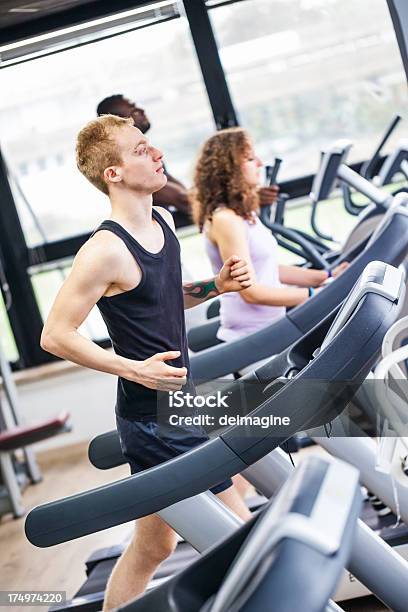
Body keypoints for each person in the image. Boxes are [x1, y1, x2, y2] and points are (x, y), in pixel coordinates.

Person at [40, 114, 253, 611]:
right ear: (113, 173)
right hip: (155, 419)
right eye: (140, 149)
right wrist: (133, 368)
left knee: (156, 544)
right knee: (241, 533)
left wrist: (214, 288)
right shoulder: (104, 250)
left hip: (177, 402)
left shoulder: (160, 222)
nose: (155, 153)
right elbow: (55, 335)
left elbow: (162, 298)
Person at [191, 127, 349, 342]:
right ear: (228, 170)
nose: (260, 163)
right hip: (255, 338)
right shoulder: (226, 220)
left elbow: (267, 267)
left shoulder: (243, 214)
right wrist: (314, 294)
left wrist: (326, 277)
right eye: (249, 158)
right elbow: (250, 292)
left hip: (274, 326)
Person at [96, 95, 280, 218]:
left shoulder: (150, 158)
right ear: (119, 122)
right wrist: (251, 199)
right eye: (134, 111)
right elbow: (186, 201)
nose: (142, 111)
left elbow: (186, 192)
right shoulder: (133, 167)